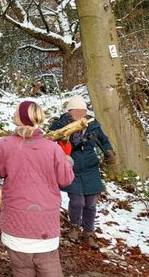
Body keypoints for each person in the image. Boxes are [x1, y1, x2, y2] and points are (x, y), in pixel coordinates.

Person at [0, 100, 74, 277]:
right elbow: (66, 179)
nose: (13, 114)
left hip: (16, 224)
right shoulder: (53, 148)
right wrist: (68, 161)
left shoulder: (5, 145)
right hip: (45, 225)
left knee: (21, 270)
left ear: (21, 118)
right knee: (50, 268)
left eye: (16, 112)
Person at [49, 95, 115, 249]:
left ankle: (89, 231)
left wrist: (109, 151)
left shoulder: (92, 124)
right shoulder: (59, 125)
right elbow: (49, 142)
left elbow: (103, 140)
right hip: (70, 167)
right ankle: (74, 227)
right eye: (76, 111)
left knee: (90, 203)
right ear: (69, 111)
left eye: (82, 111)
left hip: (90, 167)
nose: (79, 114)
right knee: (77, 201)